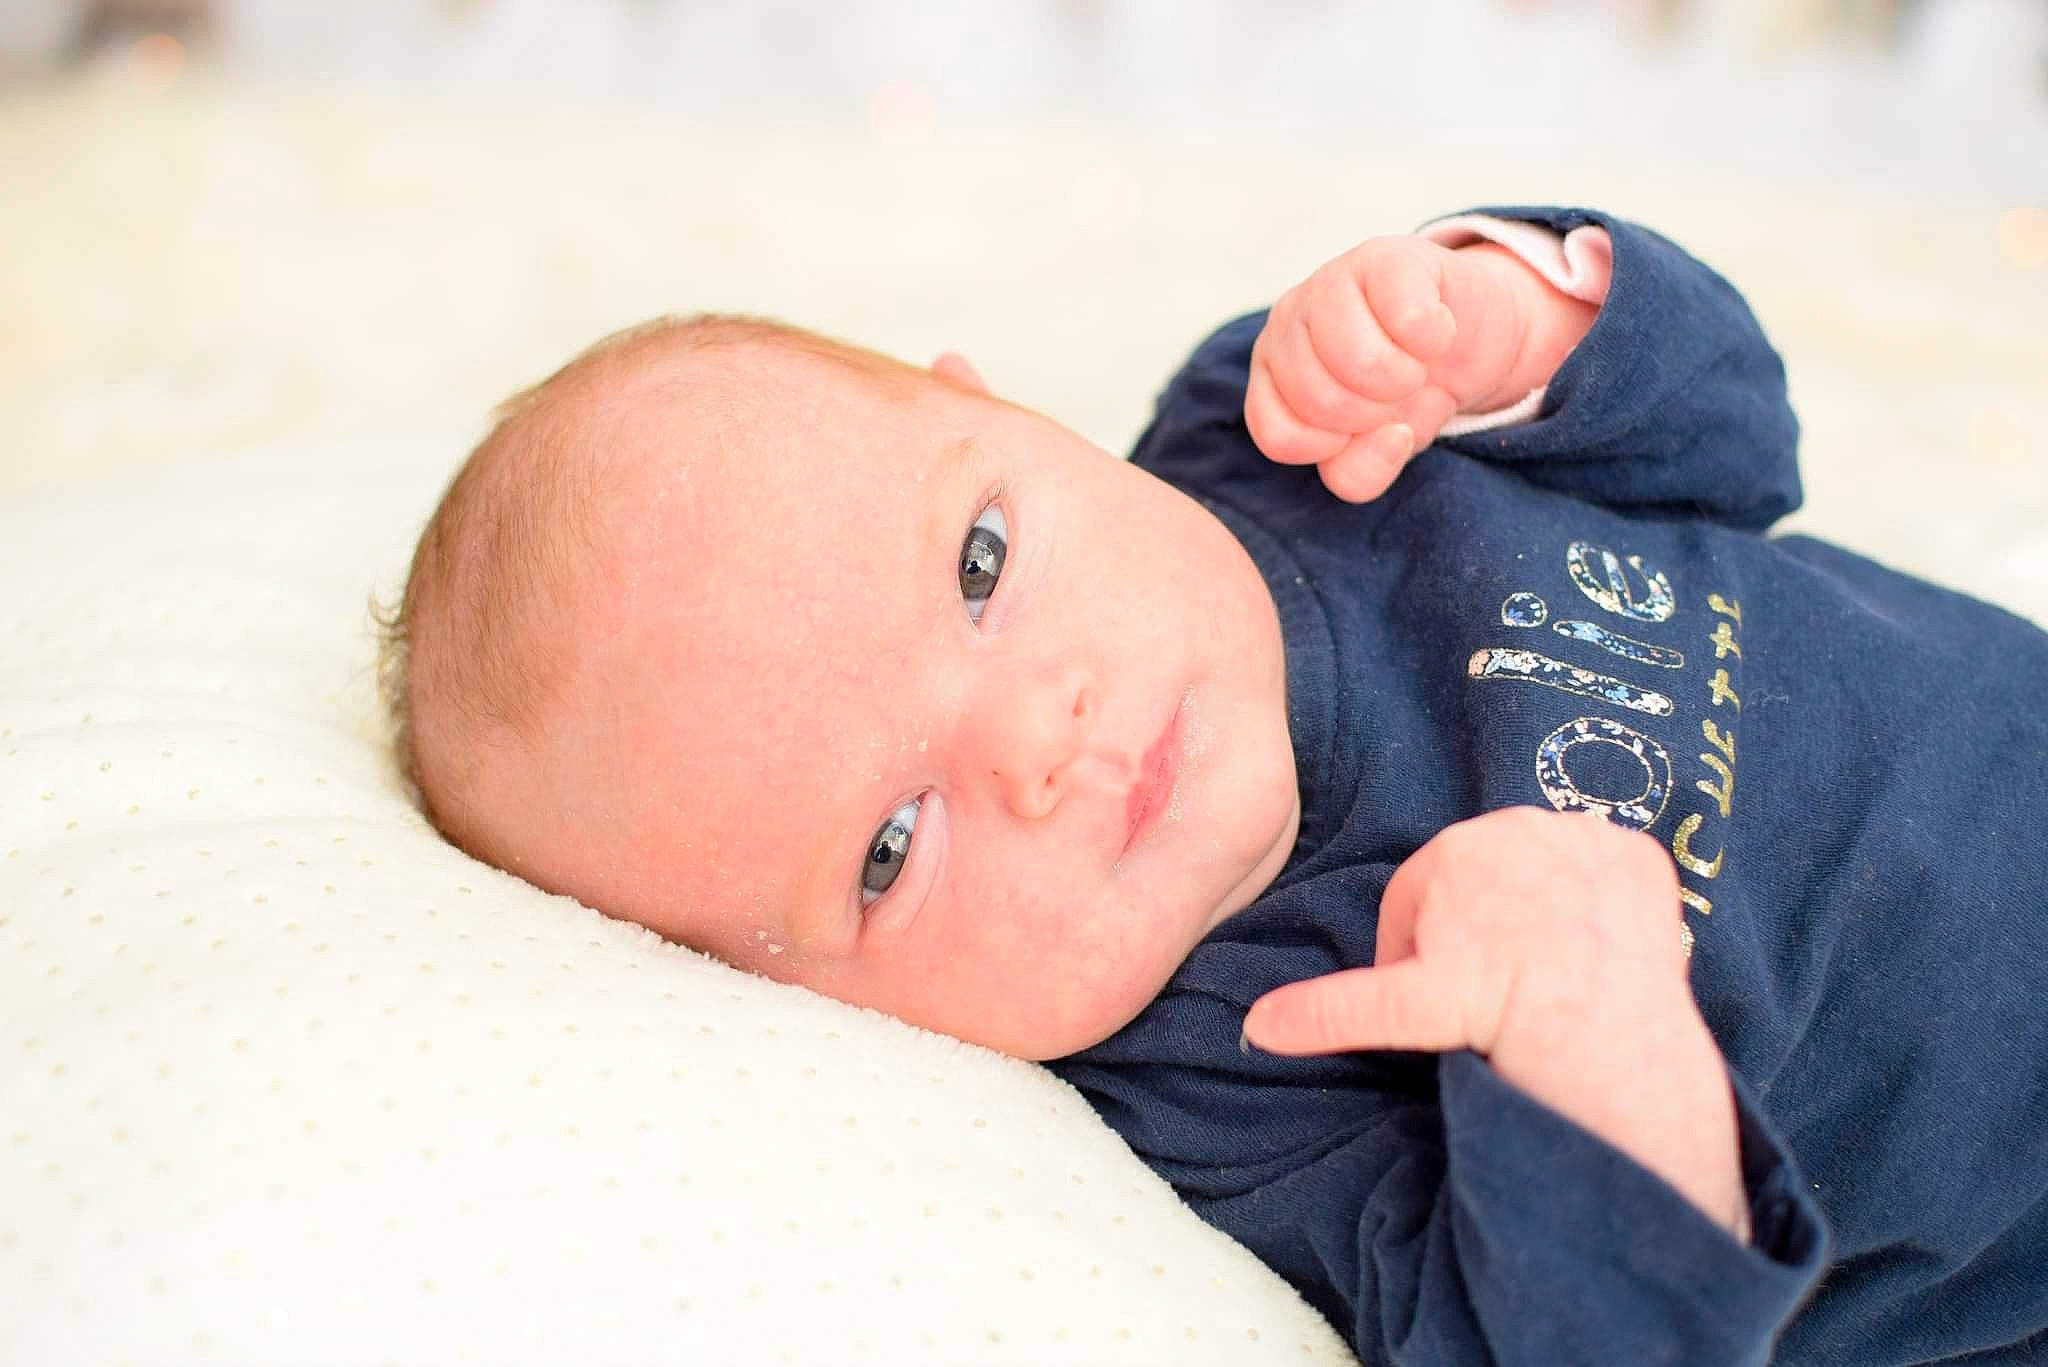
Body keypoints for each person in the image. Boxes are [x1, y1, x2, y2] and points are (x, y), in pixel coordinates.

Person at [377, 205, 2048, 1363]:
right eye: (891, 848)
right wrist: (1583, 1034)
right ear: (798, 1005)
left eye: (980, 561)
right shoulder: (1232, 1084)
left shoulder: (1288, 428)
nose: (1039, 734)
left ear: (1009, 410)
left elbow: (1732, 442)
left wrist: (1506, 312)